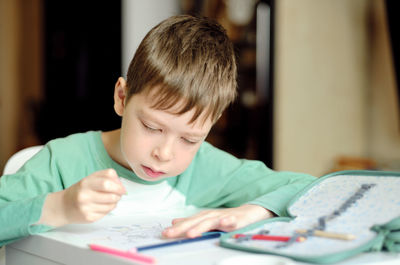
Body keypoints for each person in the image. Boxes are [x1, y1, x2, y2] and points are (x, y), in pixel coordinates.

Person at [0, 15, 315, 246]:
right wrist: (60, 206)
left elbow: (316, 190)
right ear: (122, 97)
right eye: (151, 126)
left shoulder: (206, 168)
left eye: (189, 139)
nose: (164, 153)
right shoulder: (63, 162)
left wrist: (256, 211)